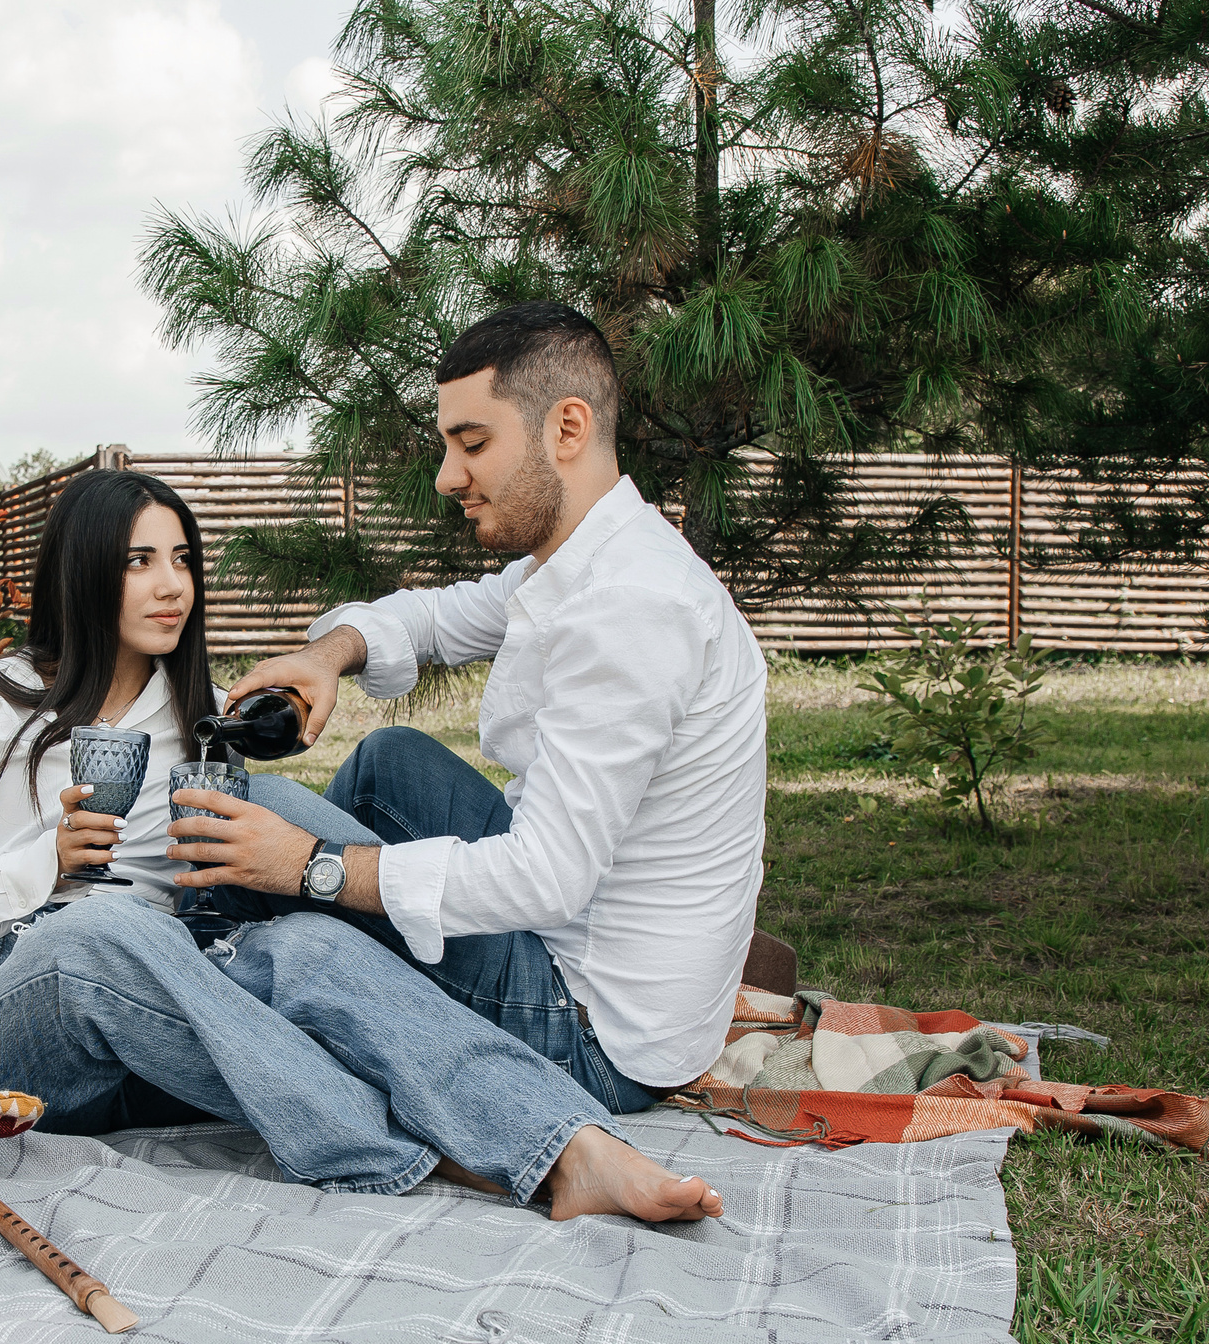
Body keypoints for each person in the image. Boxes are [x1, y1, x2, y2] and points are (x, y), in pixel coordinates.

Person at [0, 466, 722, 1221]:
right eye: (139, 561)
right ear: (82, 571)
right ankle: (414, 1147)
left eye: (182, 560)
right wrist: (45, 859)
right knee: (95, 934)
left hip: (156, 1023)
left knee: (312, 945)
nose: (170, 585)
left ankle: (561, 1144)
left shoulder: (202, 715)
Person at [169, 301, 771, 1121]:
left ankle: (203, 983)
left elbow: (544, 876)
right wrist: (327, 655)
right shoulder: (582, 561)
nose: (449, 476)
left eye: (473, 443)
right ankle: (245, 955)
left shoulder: (633, 605)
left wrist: (312, 864)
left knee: (265, 823)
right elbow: (435, 619)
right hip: (587, 948)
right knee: (391, 764)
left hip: (596, 1034)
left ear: (567, 428)